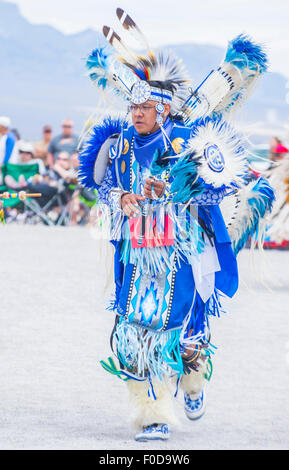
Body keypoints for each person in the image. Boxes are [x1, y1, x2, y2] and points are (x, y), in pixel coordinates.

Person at [79, 10, 274, 442]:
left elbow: (221, 187)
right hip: (136, 251)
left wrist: (173, 189)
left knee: (183, 332)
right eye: (132, 106)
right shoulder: (123, 143)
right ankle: (152, 414)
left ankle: (193, 379)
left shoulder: (191, 140)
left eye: (145, 107)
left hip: (180, 251)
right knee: (132, 330)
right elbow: (104, 184)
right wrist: (123, 197)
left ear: (163, 108)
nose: (135, 113)